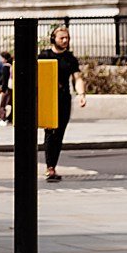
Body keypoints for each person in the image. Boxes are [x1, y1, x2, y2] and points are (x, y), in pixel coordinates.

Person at [41, 23, 88, 183]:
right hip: (47, 98)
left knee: (59, 133)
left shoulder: (70, 58)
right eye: (62, 38)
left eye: (67, 38)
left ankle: (52, 165)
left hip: (63, 98)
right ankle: (49, 167)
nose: (65, 40)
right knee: (50, 133)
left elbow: (77, 77)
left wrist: (81, 94)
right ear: (53, 39)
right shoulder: (44, 55)